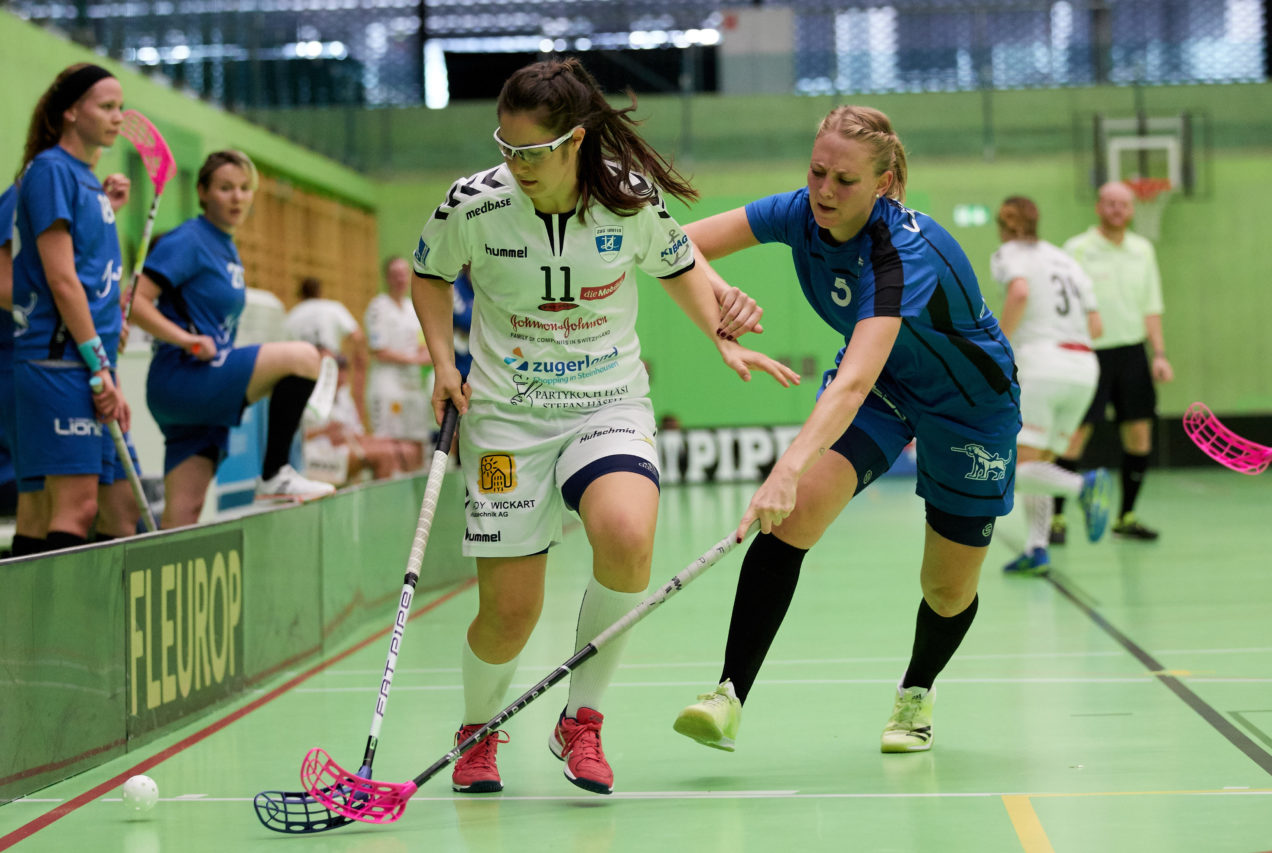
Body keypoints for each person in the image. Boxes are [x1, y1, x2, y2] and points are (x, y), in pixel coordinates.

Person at [410, 57, 799, 797]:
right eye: (506, 147)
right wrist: (441, 361)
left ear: (576, 140)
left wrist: (718, 331)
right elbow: (429, 273)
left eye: (531, 152)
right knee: (510, 611)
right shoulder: (473, 205)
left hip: (606, 403)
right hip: (503, 427)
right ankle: (478, 730)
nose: (516, 164)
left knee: (626, 537)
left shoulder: (627, 201)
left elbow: (679, 262)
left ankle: (581, 719)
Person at [671, 105, 1020, 758]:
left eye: (845, 181)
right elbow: (673, 246)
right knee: (795, 516)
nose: (825, 191)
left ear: (883, 183)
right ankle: (728, 694)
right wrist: (720, 298)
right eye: (817, 172)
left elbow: (851, 383)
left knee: (946, 586)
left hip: (968, 405)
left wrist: (784, 466)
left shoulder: (901, 253)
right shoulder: (799, 213)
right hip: (889, 387)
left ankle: (918, 688)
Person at [128, 149, 338, 528]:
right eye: (226, 188)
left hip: (198, 388)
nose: (237, 197)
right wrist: (186, 341)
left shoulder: (225, 246)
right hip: (184, 376)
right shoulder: (189, 239)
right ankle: (275, 473)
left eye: (244, 188)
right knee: (306, 357)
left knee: (185, 510)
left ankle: (173, 582)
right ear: (203, 192)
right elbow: (135, 302)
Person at [11, 63, 144, 552]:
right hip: (62, 361)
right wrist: (99, 366)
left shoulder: (86, 181)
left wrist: (105, 203)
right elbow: (63, 281)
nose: (118, 117)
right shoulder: (49, 170)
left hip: (93, 361)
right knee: (75, 507)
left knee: (122, 504)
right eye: (106, 107)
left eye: (120, 107)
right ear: (70, 112)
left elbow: (91, 271)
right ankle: (46, 630)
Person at [0, 167, 130, 555]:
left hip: (82, 362)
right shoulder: (24, 193)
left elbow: (67, 268)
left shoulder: (79, 194)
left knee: (120, 505)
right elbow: (0, 281)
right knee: (47, 507)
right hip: (38, 364)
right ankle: (37, 614)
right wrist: (74, 318)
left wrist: (99, 323)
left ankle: (94, 613)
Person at [990, 196, 1113, 575]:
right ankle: (1037, 548)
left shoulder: (1010, 253)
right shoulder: (1067, 260)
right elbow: (1097, 327)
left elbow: (1021, 292)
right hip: (1084, 367)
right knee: (1041, 464)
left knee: (1016, 469)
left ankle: (1083, 486)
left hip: (1043, 364)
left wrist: (1001, 343)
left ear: (1004, 224)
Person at [1053, 181, 1174, 542]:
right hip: (1088, 354)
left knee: (1139, 434)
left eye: (1124, 204)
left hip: (1133, 352)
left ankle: (1127, 515)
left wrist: (1160, 355)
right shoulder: (1077, 249)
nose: (1117, 209)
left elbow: (1152, 308)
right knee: (1074, 435)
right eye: (1110, 203)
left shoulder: (1143, 250)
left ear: (1133, 209)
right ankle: (1057, 519)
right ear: (1098, 207)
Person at [302, 354, 422, 484]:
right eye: (337, 367)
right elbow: (297, 439)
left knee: (404, 450)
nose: (340, 373)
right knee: (385, 455)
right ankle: (381, 498)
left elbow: (356, 431)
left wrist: (380, 440)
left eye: (343, 367)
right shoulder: (308, 397)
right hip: (321, 453)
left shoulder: (344, 396)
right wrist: (324, 431)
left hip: (348, 444)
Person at [366, 256, 431, 456]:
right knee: (389, 445)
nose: (401, 279)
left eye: (404, 274)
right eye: (395, 275)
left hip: (412, 387)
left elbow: (424, 346)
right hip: (388, 385)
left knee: (416, 442)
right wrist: (413, 359)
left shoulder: (414, 308)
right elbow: (379, 350)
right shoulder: (378, 307)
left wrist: (425, 356)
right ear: (387, 278)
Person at [284, 275, 367, 424]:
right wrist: (350, 363)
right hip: (331, 371)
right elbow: (357, 337)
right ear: (320, 292)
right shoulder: (333, 308)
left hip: (304, 375)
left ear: (300, 295)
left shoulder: (292, 316)